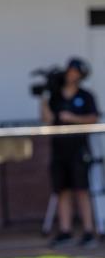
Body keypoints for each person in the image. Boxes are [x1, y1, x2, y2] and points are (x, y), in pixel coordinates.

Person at [41, 58, 100, 248]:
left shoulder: (86, 95)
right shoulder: (56, 96)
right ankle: (65, 231)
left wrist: (72, 118)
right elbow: (48, 120)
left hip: (79, 151)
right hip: (59, 151)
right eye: (69, 70)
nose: (70, 73)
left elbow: (93, 118)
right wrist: (43, 97)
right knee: (62, 191)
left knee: (82, 190)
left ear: (81, 75)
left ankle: (89, 231)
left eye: (75, 71)